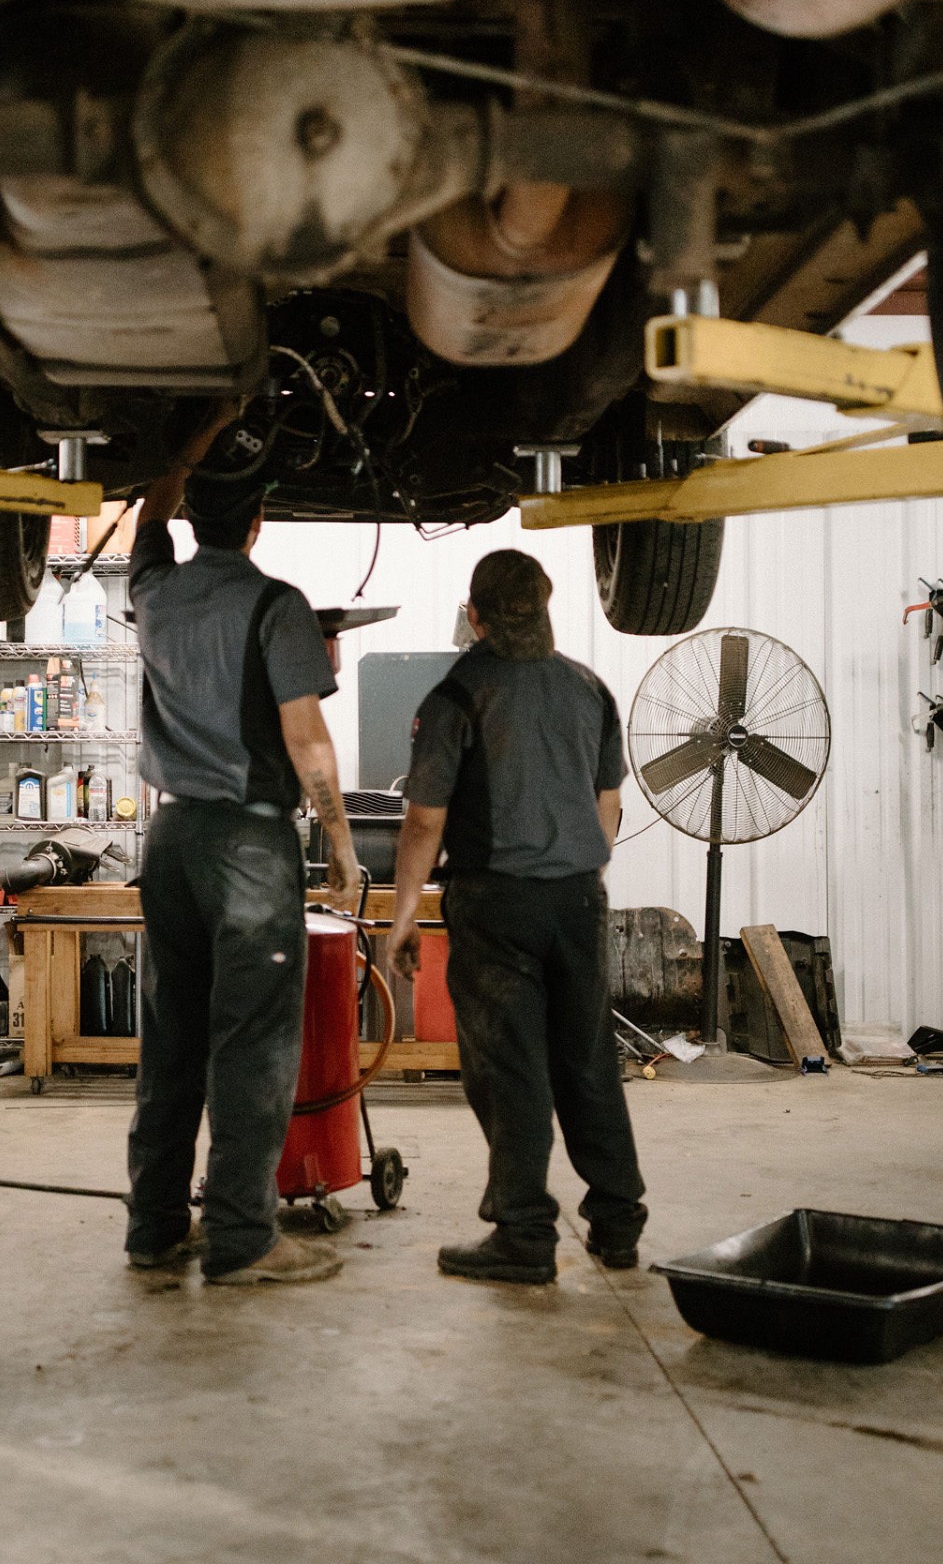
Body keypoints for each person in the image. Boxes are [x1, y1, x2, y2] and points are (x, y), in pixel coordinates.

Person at [125, 426, 362, 1286]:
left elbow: (147, 516)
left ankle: (153, 1228)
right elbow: (306, 735)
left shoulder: (152, 591)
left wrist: (189, 442)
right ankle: (239, 1237)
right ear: (259, 520)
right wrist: (338, 840)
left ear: (192, 516)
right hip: (249, 845)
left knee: (172, 1037)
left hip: (172, 839)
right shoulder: (277, 606)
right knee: (254, 1044)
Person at [387, 548, 646, 1284]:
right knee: (586, 1060)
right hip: (577, 898)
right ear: (547, 601)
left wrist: (404, 915)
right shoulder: (588, 689)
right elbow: (607, 809)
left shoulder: (457, 695)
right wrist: (578, 877)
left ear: (474, 614)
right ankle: (618, 1221)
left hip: (495, 903)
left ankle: (524, 1235)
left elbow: (422, 822)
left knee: (511, 1070)